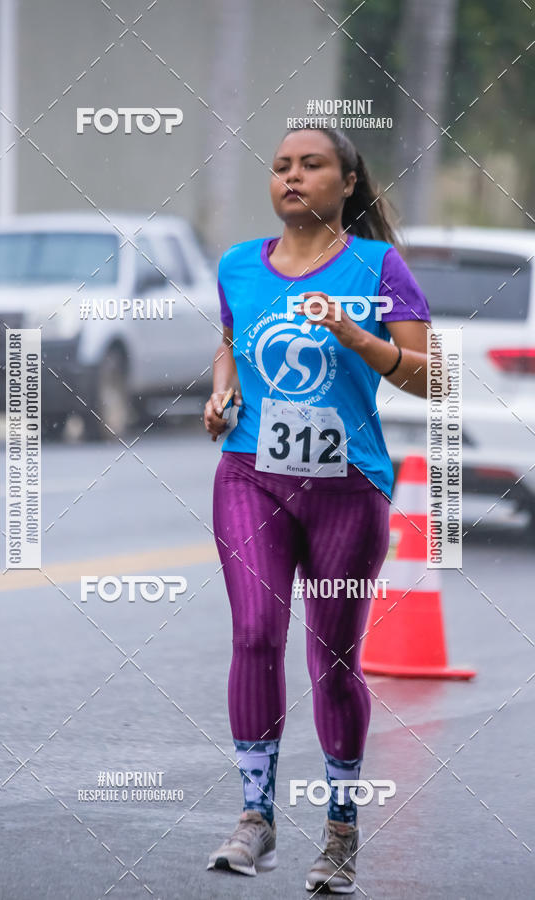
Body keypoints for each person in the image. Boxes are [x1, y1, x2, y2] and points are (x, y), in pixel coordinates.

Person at [203, 126, 431, 893]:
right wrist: (221, 393)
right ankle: (256, 817)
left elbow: (432, 379)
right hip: (250, 475)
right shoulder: (239, 263)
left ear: (347, 184)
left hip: (348, 491)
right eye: (280, 167)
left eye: (312, 165)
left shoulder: (379, 267)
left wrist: (356, 336)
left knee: (333, 664)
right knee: (255, 632)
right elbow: (231, 341)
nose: (292, 176)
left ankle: (339, 831)